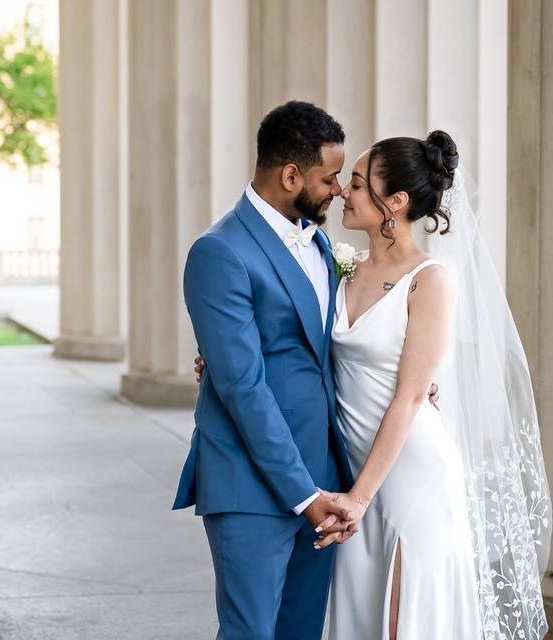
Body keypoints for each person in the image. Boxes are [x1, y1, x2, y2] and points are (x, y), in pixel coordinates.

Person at [194, 130, 552, 639]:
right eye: (343, 181)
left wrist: (359, 498)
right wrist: (218, 353)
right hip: (347, 468)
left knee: (401, 621)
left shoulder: (432, 279)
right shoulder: (338, 264)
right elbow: (293, 338)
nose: (342, 192)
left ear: (396, 203)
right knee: (359, 615)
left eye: (357, 184)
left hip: (407, 471)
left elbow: (409, 398)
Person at [172, 100, 355, 640]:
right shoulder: (219, 252)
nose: (339, 190)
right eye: (331, 178)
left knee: (301, 632)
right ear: (290, 174)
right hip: (252, 483)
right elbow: (242, 387)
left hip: (323, 473)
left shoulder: (319, 241)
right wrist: (305, 495)